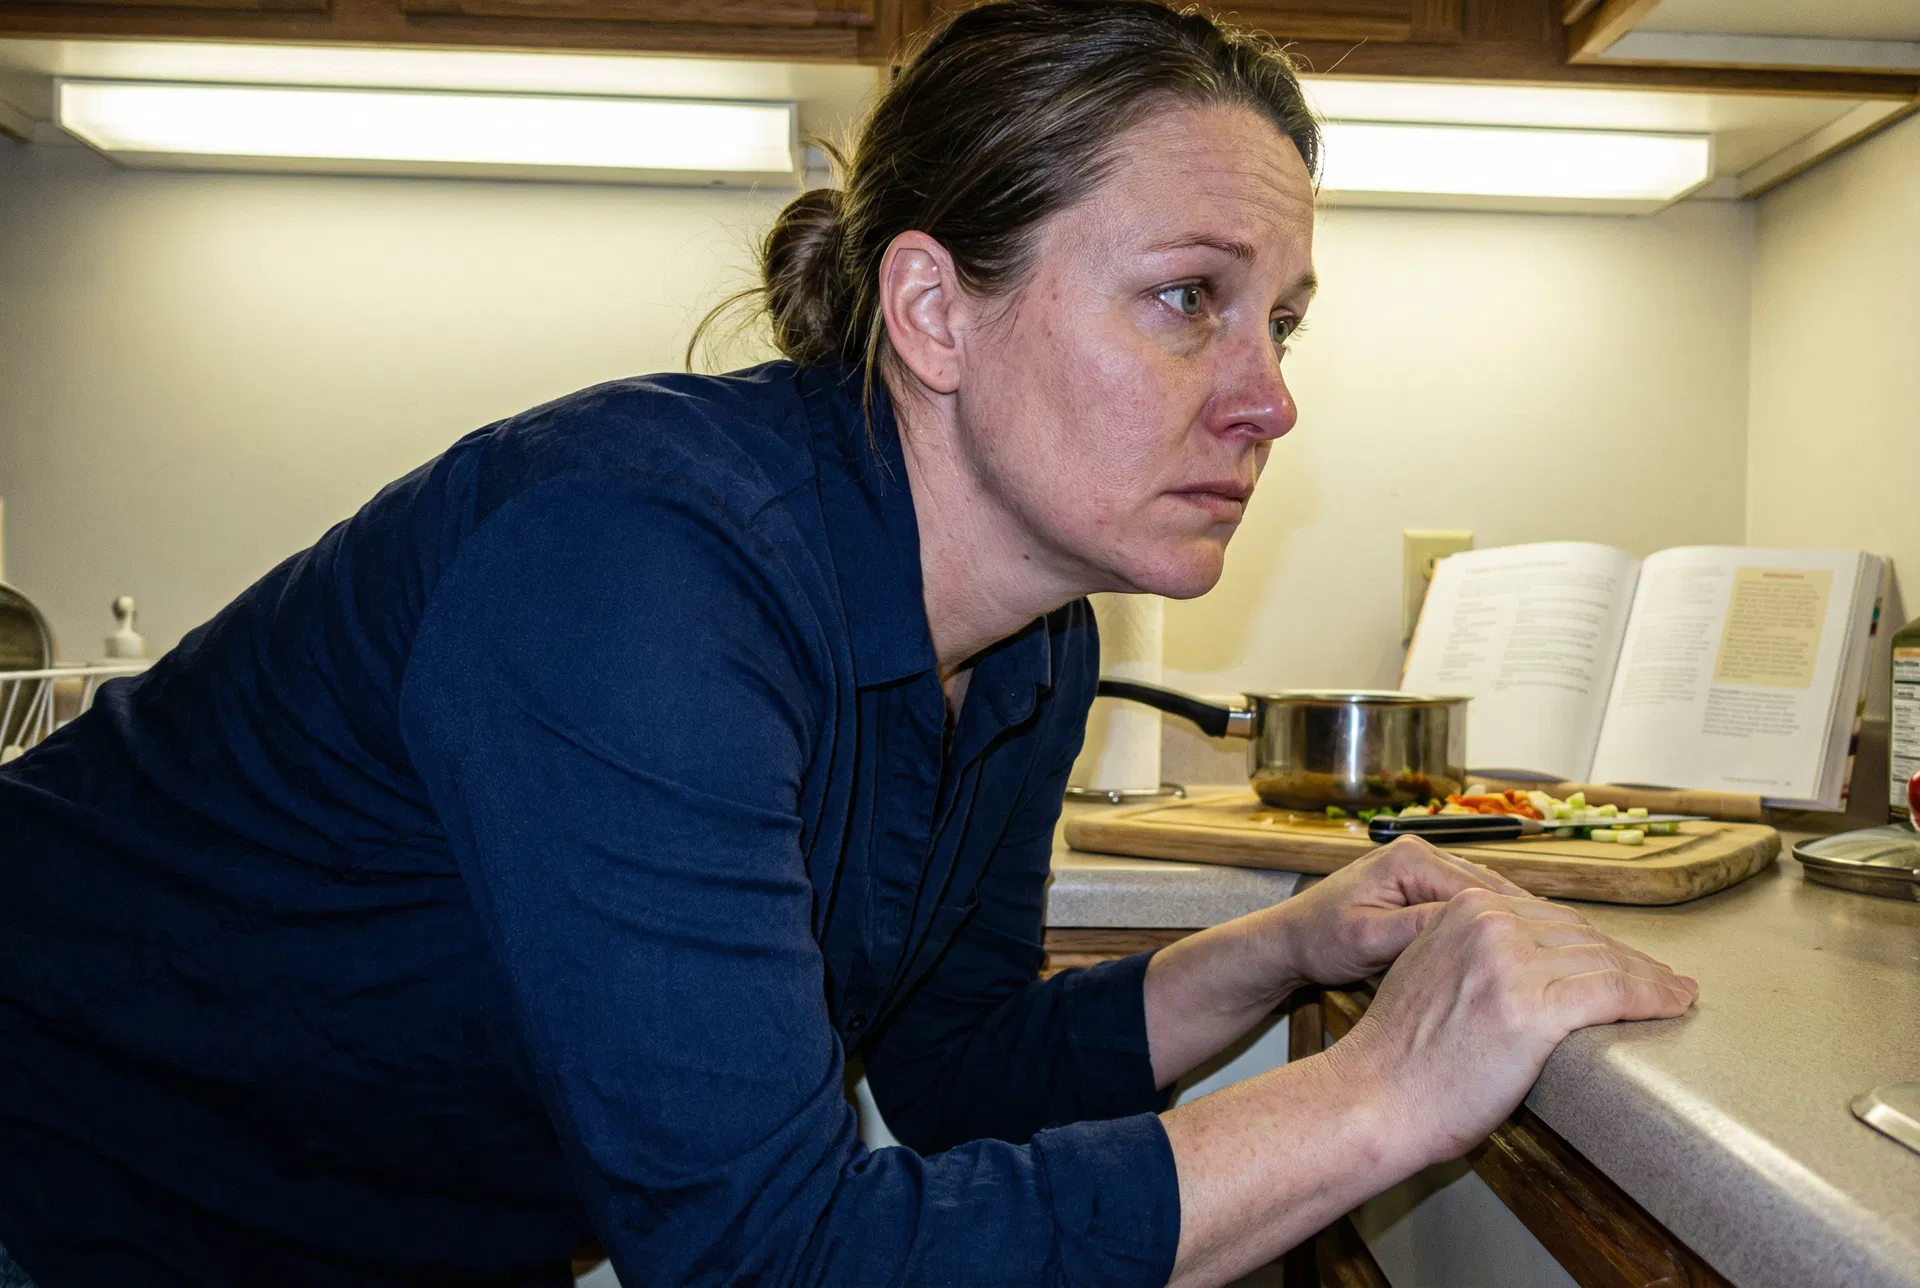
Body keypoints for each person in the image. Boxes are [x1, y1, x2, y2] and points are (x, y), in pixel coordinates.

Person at [0, 2, 1697, 1285]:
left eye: (1285, 319)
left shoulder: (1034, 649)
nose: (1270, 397)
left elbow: (954, 1073)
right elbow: (767, 1257)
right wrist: (1385, 1096)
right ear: (933, 310)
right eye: (1191, 296)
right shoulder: (635, 562)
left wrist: (1282, 952)